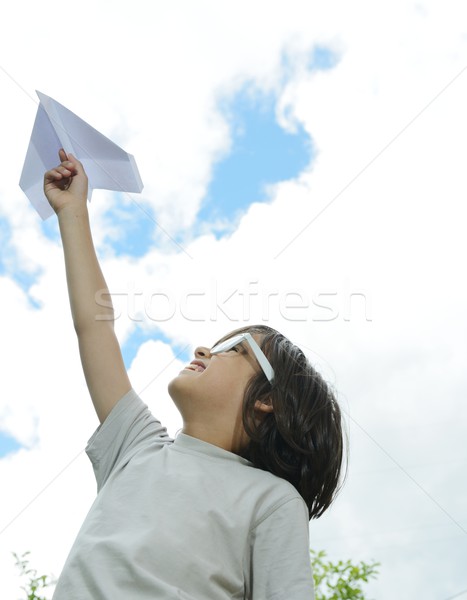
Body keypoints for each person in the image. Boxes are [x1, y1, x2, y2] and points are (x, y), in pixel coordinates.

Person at [44, 150, 345, 600]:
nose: (206, 348)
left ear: (269, 399)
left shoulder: (272, 501)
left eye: (233, 349)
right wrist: (73, 212)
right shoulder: (136, 445)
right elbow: (94, 325)